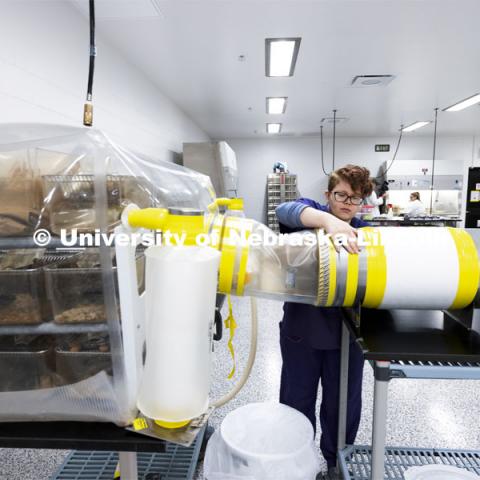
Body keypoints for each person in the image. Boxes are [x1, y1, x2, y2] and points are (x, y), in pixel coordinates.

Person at [275, 164, 372, 480]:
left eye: (355, 198)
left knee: (342, 406)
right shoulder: (311, 215)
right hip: (302, 332)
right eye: (341, 194)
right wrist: (329, 222)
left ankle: (336, 465)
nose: (347, 202)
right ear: (328, 194)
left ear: (362, 203)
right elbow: (284, 209)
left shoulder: (363, 232)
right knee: (296, 400)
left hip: (346, 337)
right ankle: (296, 464)